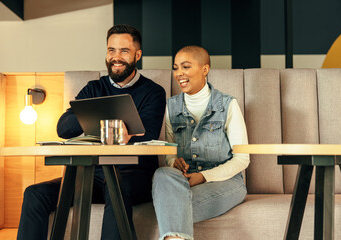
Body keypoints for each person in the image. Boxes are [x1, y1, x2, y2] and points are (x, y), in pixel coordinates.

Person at [17, 24, 166, 240]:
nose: (116, 57)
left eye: (124, 51)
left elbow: (149, 132)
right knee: (34, 194)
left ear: (137, 55)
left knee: (117, 187)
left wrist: (99, 121)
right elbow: (64, 127)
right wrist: (109, 120)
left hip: (133, 176)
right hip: (91, 177)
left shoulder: (153, 92)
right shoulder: (93, 89)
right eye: (111, 50)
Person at [152, 46, 250, 240]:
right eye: (176, 68)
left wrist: (203, 176)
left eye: (186, 67)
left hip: (227, 183)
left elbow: (242, 159)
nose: (179, 73)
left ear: (205, 69)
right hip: (183, 182)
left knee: (171, 206)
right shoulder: (170, 107)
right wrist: (173, 162)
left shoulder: (228, 105)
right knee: (162, 173)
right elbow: (170, 153)